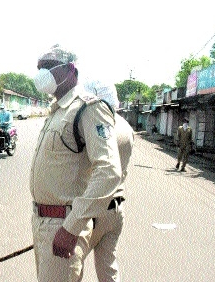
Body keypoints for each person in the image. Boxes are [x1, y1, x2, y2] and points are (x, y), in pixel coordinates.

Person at [29, 44, 122, 281]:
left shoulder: (88, 108)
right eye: (39, 68)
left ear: (70, 69)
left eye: (48, 67)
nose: (41, 73)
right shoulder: (58, 111)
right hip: (43, 222)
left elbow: (109, 171)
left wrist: (71, 227)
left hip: (63, 223)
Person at [84, 79, 135, 282]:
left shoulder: (97, 124)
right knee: (108, 268)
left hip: (93, 210)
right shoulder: (126, 126)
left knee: (71, 267)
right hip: (116, 210)